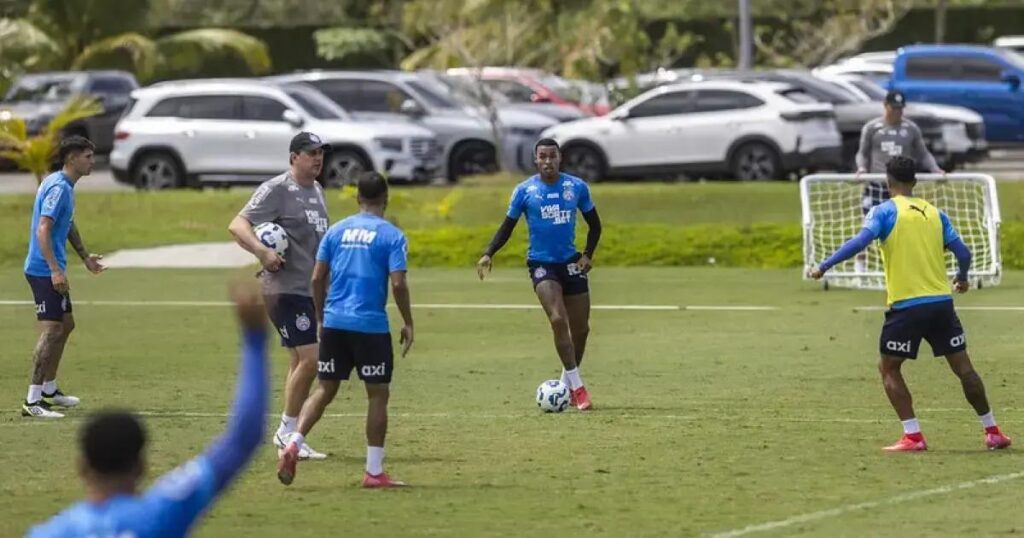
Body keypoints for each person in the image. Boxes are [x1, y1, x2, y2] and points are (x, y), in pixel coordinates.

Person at [27, 281, 271, 537]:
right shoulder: (163, 511)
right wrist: (254, 339)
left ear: (82, 466)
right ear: (141, 466)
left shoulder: (48, 533)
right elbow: (244, 439)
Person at [810, 156, 1012, 452]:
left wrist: (824, 266)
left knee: (889, 368)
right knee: (964, 369)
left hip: (907, 306)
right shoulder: (935, 213)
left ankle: (913, 436)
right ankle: (992, 430)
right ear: (915, 182)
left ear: (888, 183)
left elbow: (859, 242)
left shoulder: (884, 211)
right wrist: (963, 278)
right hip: (942, 303)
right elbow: (965, 254)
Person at [277, 172, 414, 489]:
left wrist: (322, 318)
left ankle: (293, 443)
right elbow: (398, 282)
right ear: (386, 197)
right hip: (370, 325)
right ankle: (374, 472)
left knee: (325, 390)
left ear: (357, 199)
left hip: (335, 322)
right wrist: (408, 321)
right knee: (378, 395)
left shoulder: (336, 231)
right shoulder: (392, 235)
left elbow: (315, 279)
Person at [476, 138, 601, 411]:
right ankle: (578, 388)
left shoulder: (576, 187)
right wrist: (489, 252)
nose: (547, 161)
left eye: (552, 156)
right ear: (535, 160)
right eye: (542, 157)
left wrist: (588, 254)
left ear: (560, 158)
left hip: (571, 263)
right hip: (541, 265)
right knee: (558, 318)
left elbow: (595, 225)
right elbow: (507, 226)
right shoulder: (524, 191)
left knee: (581, 329)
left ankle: (566, 384)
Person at [228, 131, 331, 460]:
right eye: (310, 153)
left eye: (320, 153)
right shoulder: (276, 189)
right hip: (283, 289)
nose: (317, 158)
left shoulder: (317, 190)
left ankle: (290, 433)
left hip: (309, 288)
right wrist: (262, 252)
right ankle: (288, 431)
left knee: (299, 361)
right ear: (293, 157)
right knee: (312, 359)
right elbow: (237, 225)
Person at [22, 135, 105, 419]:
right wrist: (55, 270)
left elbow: (66, 223)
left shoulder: (65, 186)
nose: (92, 162)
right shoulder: (59, 187)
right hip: (43, 270)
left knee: (66, 324)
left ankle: (49, 389)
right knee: (53, 330)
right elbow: (43, 230)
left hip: (52, 268)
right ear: (72, 159)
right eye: (87, 157)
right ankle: (32, 401)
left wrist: (84, 257)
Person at [854, 90, 944, 275]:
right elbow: (862, 153)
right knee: (867, 225)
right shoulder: (872, 128)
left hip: (902, 187)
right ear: (885, 106)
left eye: (900, 109)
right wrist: (862, 168)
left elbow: (923, 153)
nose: (897, 112)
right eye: (893, 108)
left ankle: (907, 265)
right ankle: (860, 266)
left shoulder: (911, 129)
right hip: (877, 184)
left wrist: (935, 169)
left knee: (905, 226)